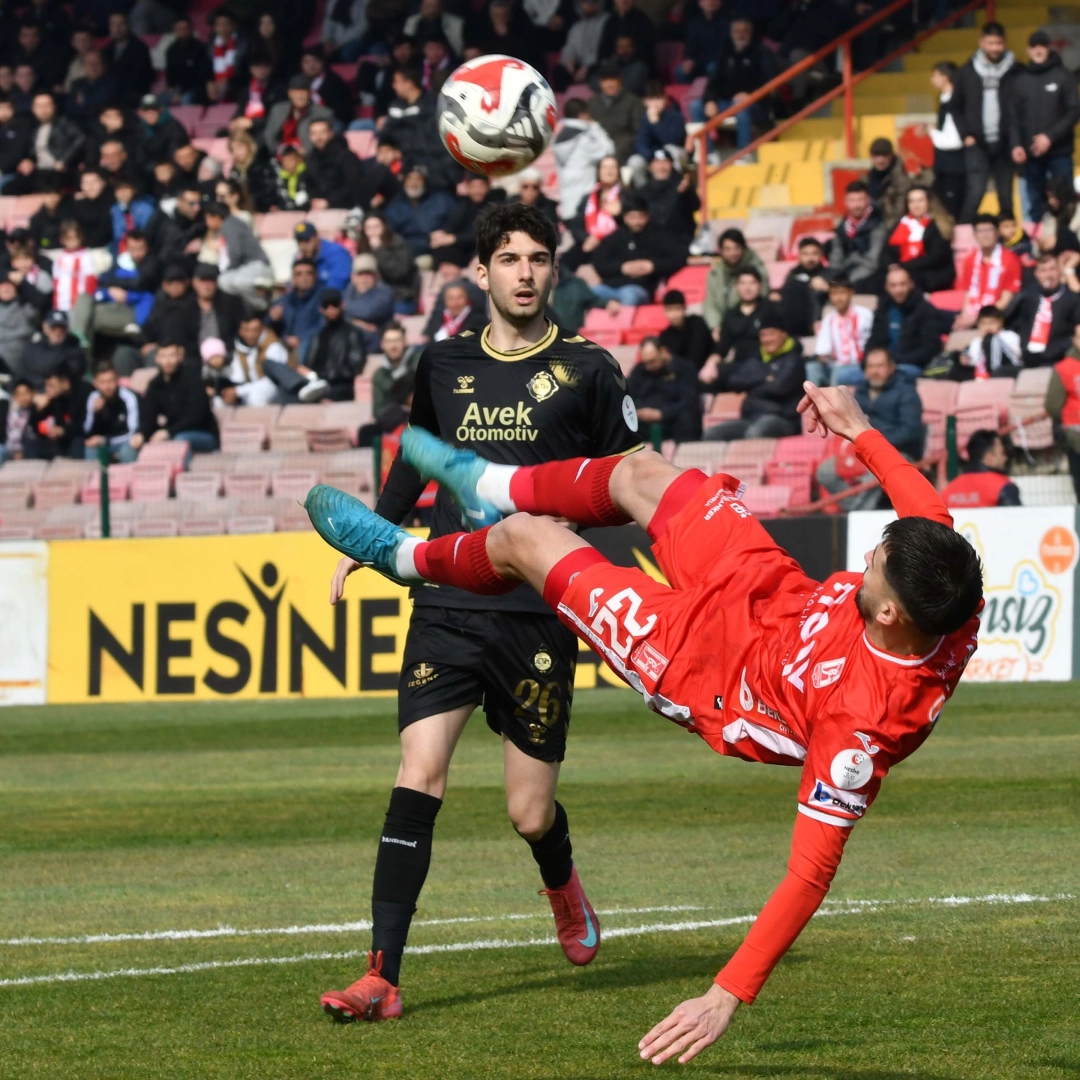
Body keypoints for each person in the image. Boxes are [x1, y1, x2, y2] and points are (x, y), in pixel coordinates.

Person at [308, 376, 984, 1063]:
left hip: (706, 669)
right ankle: (492, 481)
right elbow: (930, 514)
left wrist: (726, 994)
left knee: (525, 539)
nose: (867, 557)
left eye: (875, 564)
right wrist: (859, 429)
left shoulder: (860, 730)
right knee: (643, 471)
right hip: (769, 592)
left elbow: (808, 876)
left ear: (891, 614)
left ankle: (399, 557)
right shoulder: (952, 596)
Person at [313, 202, 643, 1025]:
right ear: (483, 271)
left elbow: (633, 484)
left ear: (554, 270)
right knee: (417, 773)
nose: (525, 273)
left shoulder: (590, 370)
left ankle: (562, 881)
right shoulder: (443, 362)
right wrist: (370, 539)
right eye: (510, 259)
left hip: (538, 609)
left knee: (528, 812)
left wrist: (574, 521)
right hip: (449, 598)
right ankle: (381, 977)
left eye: (538, 258)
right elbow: (417, 456)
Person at [815, 348, 924, 509]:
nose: (875, 371)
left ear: (891, 367)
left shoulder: (906, 392)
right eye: (870, 366)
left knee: (874, 472)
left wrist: (878, 444)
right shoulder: (861, 391)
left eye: (880, 366)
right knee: (825, 471)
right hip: (862, 450)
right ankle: (856, 510)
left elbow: (910, 431)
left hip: (897, 452)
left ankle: (858, 514)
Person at [1008, 31, 1080, 225]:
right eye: (1034, 46)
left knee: (1065, 198)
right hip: (1031, 154)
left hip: (1060, 152)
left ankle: (1068, 238)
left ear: (1049, 48)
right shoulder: (1020, 80)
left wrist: (1050, 136)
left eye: (1042, 46)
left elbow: (1074, 111)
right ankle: (1039, 240)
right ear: (1028, 50)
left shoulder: (1064, 76)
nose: (1038, 50)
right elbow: (1013, 117)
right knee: (1035, 202)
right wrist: (1016, 145)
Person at [702, 309, 806, 439]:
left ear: (783, 334)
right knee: (712, 434)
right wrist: (765, 378)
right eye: (763, 335)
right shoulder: (756, 358)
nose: (767, 339)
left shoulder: (794, 360)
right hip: (751, 418)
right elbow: (734, 381)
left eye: (771, 334)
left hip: (782, 419)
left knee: (755, 433)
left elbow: (778, 387)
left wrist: (752, 382)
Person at [953, 22, 1019, 223]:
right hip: (977, 145)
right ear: (981, 42)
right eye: (990, 43)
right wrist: (965, 134)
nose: (994, 48)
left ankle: (1009, 239)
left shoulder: (1016, 70)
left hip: (1005, 144)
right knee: (975, 193)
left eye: (998, 43)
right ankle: (964, 235)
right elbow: (954, 106)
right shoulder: (966, 72)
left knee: (1006, 196)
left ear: (1005, 43)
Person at [71, 229, 161, 359]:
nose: (137, 253)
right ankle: (78, 339)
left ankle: (78, 349)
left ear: (147, 247)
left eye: (140, 248)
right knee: (84, 298)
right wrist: (110, 290)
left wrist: (113, 286)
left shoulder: (152, 263)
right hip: (115, 307)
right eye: (133, 249)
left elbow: (138, 284)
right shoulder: (123, 262)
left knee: (87, 317)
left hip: (137, 313)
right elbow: (102, 280)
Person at [590, 195, 687, 310]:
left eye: (640, 217)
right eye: (632, 217)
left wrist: (653, 266)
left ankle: (623, 322)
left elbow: (679, 257)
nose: (636, 222)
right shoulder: (615, 237)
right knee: (588, 294)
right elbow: (599, 262)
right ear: (625, 218)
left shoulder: (659, 236)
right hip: (610, 287)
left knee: (629, 296)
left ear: (647, 216)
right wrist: (622, 267)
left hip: (639, 288)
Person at [131, 339, 219, 458]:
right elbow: (148, 415)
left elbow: (195, 417)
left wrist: (168, 432)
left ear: (179, 357)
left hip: (203, 433)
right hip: (173, 432)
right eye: (163, 356)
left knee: (179, 441)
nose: (168, 361)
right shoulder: (155, 385)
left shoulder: (193, 379)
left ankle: (181, 470)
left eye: (172, 356)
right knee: (132, 447)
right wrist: (141, 434)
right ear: (157, 359)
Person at [864, 266, 943, 382]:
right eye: (893, 285)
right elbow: (873, 341)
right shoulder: (882, 310)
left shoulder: (925, 310)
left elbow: (930, 348)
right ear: (886, 287)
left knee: (895, 377)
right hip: (881, 366)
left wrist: (895, 361)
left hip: (911, 365)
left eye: (902, 284)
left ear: (911, 284)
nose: (898, 290)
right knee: (844, 375)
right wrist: (868, 361)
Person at [307, 118, 396, 213]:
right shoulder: (310, 159)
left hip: (348, 207)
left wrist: (329, 202)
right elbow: (309, 184)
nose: (318, 137)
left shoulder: (346, 156)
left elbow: (354, 187)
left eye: (322, 132)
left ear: (331, 133)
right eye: (314, 134)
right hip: (320, 208)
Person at [6, 91, 84, 194]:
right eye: (39, 106)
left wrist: (64, 161)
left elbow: (80, 139)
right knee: (9, 188)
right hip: (38, 171)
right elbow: (28, 150)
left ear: (54, 107)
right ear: (33, 109)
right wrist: (27, 161)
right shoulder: (31, 127)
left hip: (58, 171)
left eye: (47, 105)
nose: (43, 110)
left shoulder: (64, 123)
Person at [1009, 254, 1080, 366]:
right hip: (1028, 357)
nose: (1048, 275)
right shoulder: (1027, 296)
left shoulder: (1071, 298)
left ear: (1059, 271)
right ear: (1036, 274)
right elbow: (1009, 319)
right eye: (1043, 271)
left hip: (1058, 358)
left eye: (1052, 269)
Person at [627, 336, 701, 444]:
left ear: (663, 351)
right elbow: (628, 395)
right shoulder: (640, 370)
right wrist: (637, 412)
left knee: (687, 417)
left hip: (673, 420)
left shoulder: (684, 368)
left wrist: (661, 414)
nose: (648, 367)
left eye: (652, 361)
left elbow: (689, 401)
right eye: (646, 363)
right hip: (643, 423)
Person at [552, 99, 615, 224]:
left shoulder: (559, 138)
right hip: (584, 206)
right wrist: (595, 127)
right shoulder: (584, 140)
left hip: (567, 207)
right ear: (582, 115)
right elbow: (609, 150)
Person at [885, 185, 956, 294]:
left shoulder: (940, 225)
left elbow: (934, 258)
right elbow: (886, 251)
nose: (916, 205)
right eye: (911, 201)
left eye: (920, 200)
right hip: (902, 270)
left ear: (929, 202)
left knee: (905, 282)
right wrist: (891, 266)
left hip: (932, 273)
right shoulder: (901, 224)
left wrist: (902, 268)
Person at [955, 213, 1022, 328]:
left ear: (997, 232)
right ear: (975, 234)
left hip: (996, 319)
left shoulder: (1010, 259)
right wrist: (965, 316)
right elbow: (968, 294)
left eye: (989, 230)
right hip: (972, 314)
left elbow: (1005, 300)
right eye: (980, 231)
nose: (985, 235)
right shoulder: (970, 260)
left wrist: (977, 320)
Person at [704, 228, 768, 339]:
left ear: (743, 248)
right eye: (727, 249)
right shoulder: (715, 274)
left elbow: (761, 298)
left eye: (736, 248)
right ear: (721, 251)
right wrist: (715, 326)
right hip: (723, 326)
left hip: (748, 325)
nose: (732, 253)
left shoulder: (757, 270)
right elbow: (710, 304)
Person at [430, 174, 505, 268]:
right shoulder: (463, 204)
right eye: (473, 187)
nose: (477, 191)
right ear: (468, 188)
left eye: (481, 186)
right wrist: (442, 235)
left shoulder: (495, 206)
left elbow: (486, 234)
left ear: (487, 187)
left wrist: (454, 239)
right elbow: (452, 225)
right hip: (461, 248)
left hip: (481, 248)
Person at [810, 277, 874, 386]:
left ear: (851, 293)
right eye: (834, 294)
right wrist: (823, 358)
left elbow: (874, 341)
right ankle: (812, 396)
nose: (838, 298)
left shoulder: (865, 315)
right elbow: (822, 350)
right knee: (811, 368)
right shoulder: (829, 319)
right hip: (835, 364)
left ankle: (835, 396)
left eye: (842, 293)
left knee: (839, 371)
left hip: (859, 364)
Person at [563, 154, 622, 272]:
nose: (609, 171)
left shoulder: (626, 196)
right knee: (562, 264)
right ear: (598, 172)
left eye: (613, 167)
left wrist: (619, 215)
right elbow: (576, 224)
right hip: (587, 242)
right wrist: (586, 238)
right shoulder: (589, 197)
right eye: (605, 167)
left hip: (614, 246)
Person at [305, 289, 366, 400]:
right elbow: (309, 364)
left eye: (334, 304)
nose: (331, 309)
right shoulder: (318, 336)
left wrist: (329, 375)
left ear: (342, 305)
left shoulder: (352, 333)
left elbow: (356, 365)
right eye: (326, 306)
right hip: (318, 386)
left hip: (343, 388)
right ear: (321, 309)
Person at [828, 181, 887, 295]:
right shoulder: (842, 226)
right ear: (846, 202)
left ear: (868, 200)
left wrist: (845, 283)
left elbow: (872, 262)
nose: (856, 205)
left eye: (860, 200)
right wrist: (832, 280)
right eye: (852, 200)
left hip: (868, 276)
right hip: (845, 273)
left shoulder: (878, 225)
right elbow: (835, 259)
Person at [385, 166, 456, 258]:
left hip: (437, 249)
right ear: (404, 181)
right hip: (404, 252)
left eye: (418, 179)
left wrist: (445, 234)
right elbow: (390, 233)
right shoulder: (395, 205)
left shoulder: (442, 200)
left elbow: (456, 225)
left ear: (425, 181)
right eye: (410, 179)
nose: (414, 183)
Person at [942, 429, 1021, 507]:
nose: (1005, 458)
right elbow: (1014, 514)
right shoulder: (1003, 486)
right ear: (989, 456)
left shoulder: (948, 491)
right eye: (1002, 453)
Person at [82, 359, 140, 463]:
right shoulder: (93, 398)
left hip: (123, 441)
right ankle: (94, 474)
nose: (107, 386)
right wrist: (95, 413)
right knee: (90, 449)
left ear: (117, 380)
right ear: (96, 383)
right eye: (102, 382)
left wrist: (106, 440)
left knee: (128, 450)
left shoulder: (129, 397)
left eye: (110, 381)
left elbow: (132, 431)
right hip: (102, 442)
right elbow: (86, 430)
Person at [637, 150, 700, 246]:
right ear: (650, 167)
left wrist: (686, 193)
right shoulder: (642, 192)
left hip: (680, 241)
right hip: (652, 243)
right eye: (657, 163)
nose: (661, 167)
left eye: (665, 162)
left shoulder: (682, 186)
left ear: (671, 165)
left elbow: (696, 206)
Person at [361, 213, 421, 313]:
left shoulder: (397, 243)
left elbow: (398, 273)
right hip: (374, 297)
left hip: (401, 297)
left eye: (376, 227)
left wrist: (379, 250)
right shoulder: (364, 246)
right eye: (369, 228)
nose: (372, 232)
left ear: (384, 227)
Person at [587, 61, 643, 164]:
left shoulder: (633, 101)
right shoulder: (593, 102)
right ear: (600, 82)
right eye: (605, 80)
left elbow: (638, 132)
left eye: (612, 79)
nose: (609, 84)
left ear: (620, 80)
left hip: (623, 148)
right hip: (598, 145)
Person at [264, 74, 334, 156]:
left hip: (309, 156)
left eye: (303, 92)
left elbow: (324, 140)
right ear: (289, 93)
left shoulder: (323, 113)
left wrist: (306, 152)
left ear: (310, 93)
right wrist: (280, 152)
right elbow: (269, 135)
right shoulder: (278, 109)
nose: (300, 96)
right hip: (281, 154)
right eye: (296, 92)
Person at [270, 258, 324, 361]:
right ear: (293, 278)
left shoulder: (323, 298)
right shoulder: (285, 300)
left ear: (315, 276)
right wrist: (274, 320)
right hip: (284, 346)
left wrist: (300, 338)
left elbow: (324, 325)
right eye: (299, 274)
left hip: (309, 347)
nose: (304, 278)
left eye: (309, 273)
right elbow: (267, 324)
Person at [343, 252, 395, 352]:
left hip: (377, 343)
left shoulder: (385, 292)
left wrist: (348, 318)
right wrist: (358, 323)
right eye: (360, 274)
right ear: (353, 277)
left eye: (368, 274)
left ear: (377, 276)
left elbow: (368, 311)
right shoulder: (349, 290)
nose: (364, 278)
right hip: (352, 342)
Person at [779, 237, 830, 338]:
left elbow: (841, 288)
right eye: (805, 254)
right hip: (793, 331)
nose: (810, 258)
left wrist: (828, 288)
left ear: (821, 255)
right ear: (799, 256)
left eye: (814, 254)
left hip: (820, 329)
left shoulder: (830, 275)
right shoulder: (792, 275)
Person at [101, 10, 154, 106]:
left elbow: (140, 79)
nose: (117, 28)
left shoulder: (140, 48)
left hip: (133, 96)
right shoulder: (107, 49)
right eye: (113, 24)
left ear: (128, 25)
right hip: (111, 96)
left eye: (121, 24)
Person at [955, 305, 1022, 379]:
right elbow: (974, 361)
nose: (988, 327)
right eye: (984, 324)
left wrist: (993, 341)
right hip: (982, 375)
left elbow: (1017, 355)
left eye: (992, 323)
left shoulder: (1010, 336)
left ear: (1000, 322)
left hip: (1006, 370)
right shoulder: (977, 341)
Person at [712, 268, 765, 362]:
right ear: (736, 286)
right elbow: (723, 347)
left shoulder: (771, 310)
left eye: (752, 283)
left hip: (767, 362)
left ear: (760, 285)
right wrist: (711, 362)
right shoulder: (730, 315)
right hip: (740, 364)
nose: (747, 288)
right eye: (743, 283)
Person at [555, 0, 609, 90]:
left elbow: (605, 51)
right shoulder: (576, 27)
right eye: (585, 2)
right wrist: (569, 62)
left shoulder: (607, 22)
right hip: (579, 66)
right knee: (559, 72)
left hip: (598, 65)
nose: (588, 5)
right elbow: (569, 48)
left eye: (592, 2)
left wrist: (587, 67)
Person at [371, 320, 418, 417]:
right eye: (388, 341)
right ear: (382, 344)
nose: (393, 346)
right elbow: (378, 411)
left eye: (397, 340)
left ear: (405, 341)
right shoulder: (379, 376)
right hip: (395, 420)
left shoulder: (419, 362)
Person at [51, 220, 97, 315]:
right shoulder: (59, 257)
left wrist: (87, 301)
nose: (73, 241)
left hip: (78, 304)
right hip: (61, 303)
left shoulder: (85, 255)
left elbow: (90, 280)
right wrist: (55, 303)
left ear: (80, 237)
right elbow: (56, 281)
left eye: (75, 238)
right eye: (69, 238)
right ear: (62, 239)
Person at [659, 289, 712, 371]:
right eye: (669, 310)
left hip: (707, 370)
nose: (674, 315)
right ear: (665, 311)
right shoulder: (665, 336)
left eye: (677, 309)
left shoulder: (697, 324)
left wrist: (672, 359)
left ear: (684, 308)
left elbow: (696, 359)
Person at [865, 138, 912, 231]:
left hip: (891, 225)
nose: (880, 160)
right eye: (876, 156)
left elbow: (900, 211)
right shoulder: (869, 177)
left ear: (891, 156)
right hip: (873, 222)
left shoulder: (900, 178)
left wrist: (889, 230)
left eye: (884, 155)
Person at [165, 14, 212, 104]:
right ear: (175, 30)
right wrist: (171, 92)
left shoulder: (200, 48)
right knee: (156, 100)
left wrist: (180, 94)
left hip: (196, 89)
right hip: (177, 90)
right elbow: (170, 81)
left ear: (191, 30)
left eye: (185, 28)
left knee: (186, 99)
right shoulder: (171, 51)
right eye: (179, 29)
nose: (182, 32)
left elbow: (202, 78)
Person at [0, 272, 41, 374]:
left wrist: (23, 283)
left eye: (10, 285)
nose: (6, 288)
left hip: (14, 357)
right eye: (2, 285)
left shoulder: (26, 307)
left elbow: (42, 303)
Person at [294, 221, 352, 293]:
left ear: (316, 237)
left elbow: (336, 287)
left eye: (307, 241)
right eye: (299, 242)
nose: (303, 246)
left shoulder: (337, 254)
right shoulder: (300, 256)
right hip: (311, 298)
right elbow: (292, 286)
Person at [0, 378, 34, 463]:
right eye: (19, 394)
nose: (23, 397)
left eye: (26, 393)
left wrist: (19, 450)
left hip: (27, 448)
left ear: (33, 393)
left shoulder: (35, 412)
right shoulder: (12, 413)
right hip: (8, 449)